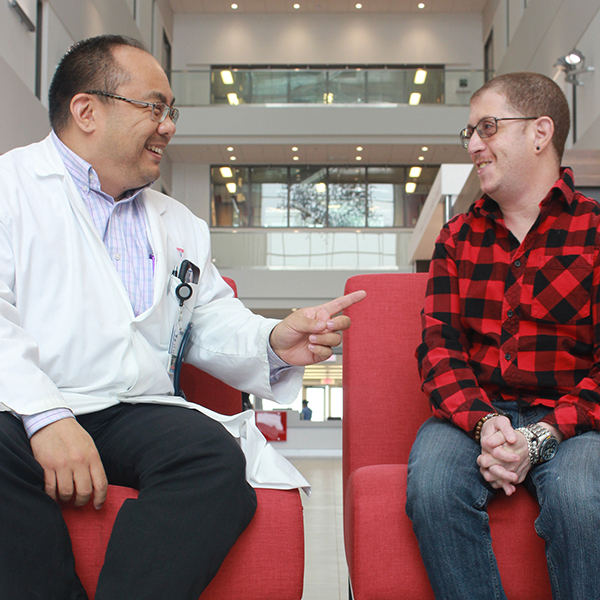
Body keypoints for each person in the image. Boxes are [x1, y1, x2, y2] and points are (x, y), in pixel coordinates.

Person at [0, 35, 366, 600]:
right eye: (154, 107)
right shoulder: (10, 188)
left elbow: (210, 320)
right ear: (86, 110)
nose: (168, 126)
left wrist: (274, 340)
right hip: (23, 402)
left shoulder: (180, 223)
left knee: (212, 461)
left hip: (127, 408)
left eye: (172, 111)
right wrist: (47, 417)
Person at [405, 71, 600, 599]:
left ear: (540, 132)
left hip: (572, 422)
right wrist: (487, 420)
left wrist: (543, 436)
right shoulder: (457, 237)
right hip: (475, 412)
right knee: (433, 485)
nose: (472, 145)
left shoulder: (595, 233)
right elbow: (439, 347)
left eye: (486, 128)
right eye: (469, 131)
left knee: (581, 495)